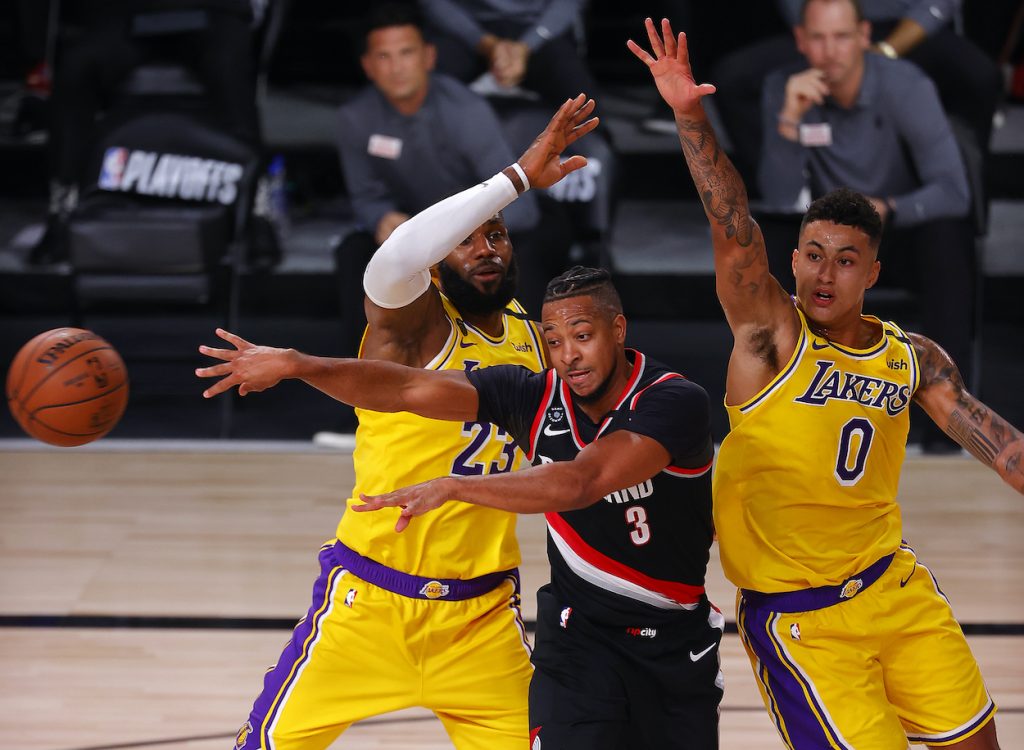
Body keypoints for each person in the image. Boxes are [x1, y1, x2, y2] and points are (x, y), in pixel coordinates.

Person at [631, 16, 1023, 748]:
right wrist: (690, 117)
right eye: (811, 253)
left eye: (845, 259)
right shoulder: (770, 336)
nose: (822, 271)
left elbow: (1003, 450)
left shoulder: (915, 358)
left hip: (895, 591)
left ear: (872, 274)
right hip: (800, 618)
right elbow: (732, 224)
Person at [198, 95, 596, 750]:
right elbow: (390, 262)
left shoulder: (535, 336)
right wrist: (517, 178)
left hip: (482, 622)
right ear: (437, 263)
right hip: (369, 609)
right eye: (465, 240)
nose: (485, 248)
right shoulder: (417, 327)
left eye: (496, 233)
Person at [200, 264, 724, 749]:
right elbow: (405, 386)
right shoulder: (531, 395)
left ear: (618, 329)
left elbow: (577, 483)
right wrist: (298, 364)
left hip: (623, 633)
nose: (568, 355)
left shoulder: (673, 399)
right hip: (553, 632)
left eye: (582, 337)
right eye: (555, 341)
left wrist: (454, 486)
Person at [759, 0, 979, 452]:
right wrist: (788, 121)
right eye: (818, 38)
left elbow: (954, 191)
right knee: (774, 243)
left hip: (894, 232)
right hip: (831, 247)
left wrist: (890, 207)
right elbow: (780, 197)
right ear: (801, 41)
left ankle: (948, 427)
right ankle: (783, 412)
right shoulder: (784, 88)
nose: (830, 51)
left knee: (947, 241)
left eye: (841, 37)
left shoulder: (905, 87)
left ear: (863, 37)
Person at [335, 2, 572, 360]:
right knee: (354, 253)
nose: (397, 67)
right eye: (384, 57)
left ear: (429, 57)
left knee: (525, 249)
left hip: (485, 224)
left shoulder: (465, 111)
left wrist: (449, 238)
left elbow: (520, 210)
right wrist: (381, 216)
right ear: (368, 66)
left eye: (406, 53)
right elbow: (366, 197)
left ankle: (537, 376)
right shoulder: (354, 119)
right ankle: (368, 378)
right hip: (416, 232)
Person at [29, 0, 264, 264]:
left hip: (210, 10)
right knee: (76, 67)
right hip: (129, 12)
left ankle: (255, 210)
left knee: (231, 67)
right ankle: (62, 210)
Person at [710, 0, 1001, 190]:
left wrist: (886, 52)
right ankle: (791, 195)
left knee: (981, 79)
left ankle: (963, 198)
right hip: (828, 26)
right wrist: (830, 40)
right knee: (734, 79)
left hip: (908, 30)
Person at [418, 0, 601, 106]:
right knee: (422, 83)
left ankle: (597, 159)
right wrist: (483, 42)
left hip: (538, 25)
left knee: (578, 93)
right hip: (464, 24)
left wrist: (527, 45)